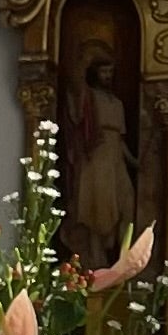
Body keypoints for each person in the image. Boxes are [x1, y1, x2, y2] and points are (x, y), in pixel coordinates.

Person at [60, 41, 137, 270]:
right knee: (95, 211)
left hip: (115, 160)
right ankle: (93, 261)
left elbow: (120, 139)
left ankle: (124, 262)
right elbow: (75, 86)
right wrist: (85, 59)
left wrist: (134, 161)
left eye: (110, 72)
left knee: (127, 205)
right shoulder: (89, 96)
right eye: (103, 71)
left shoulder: (117, 104)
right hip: (96, 159)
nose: (107, 76)